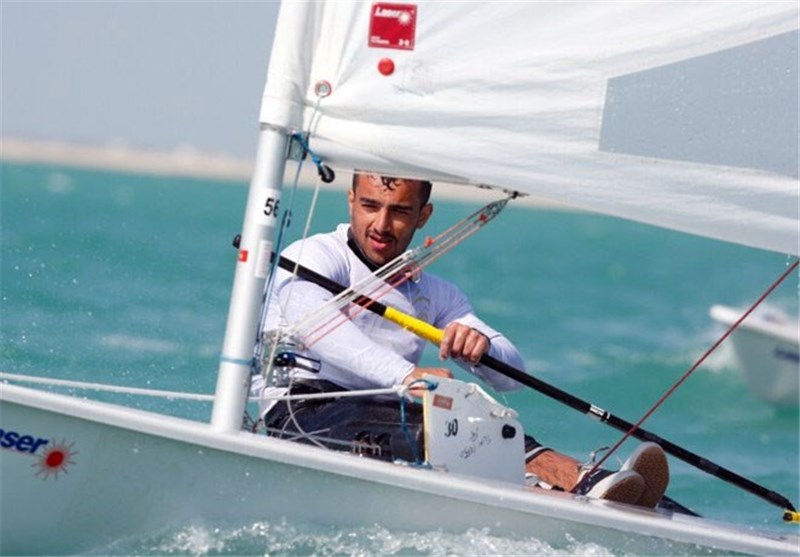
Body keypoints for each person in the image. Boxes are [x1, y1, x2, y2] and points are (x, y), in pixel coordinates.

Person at [251, 172, 668, 508]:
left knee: (491, 427)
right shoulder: (315, 256)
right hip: (304, 411)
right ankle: (560, 496)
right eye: (370, 206)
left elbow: (512, 375)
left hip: (386, 415)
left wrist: (480, 348)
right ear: (350, 201)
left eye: (400, 211)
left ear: (424, 215)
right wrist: (406, 376)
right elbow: (316, 325)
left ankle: (590, 482)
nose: (381, 225)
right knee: (447, 430)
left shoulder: (434, 292)